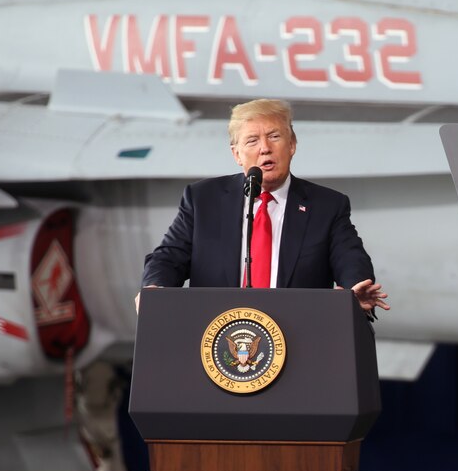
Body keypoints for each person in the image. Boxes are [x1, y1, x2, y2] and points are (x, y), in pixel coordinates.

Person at [137, 98, 389, 315]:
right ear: (236, 154)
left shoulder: (327, 205)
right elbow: (169, 257)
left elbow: (350, 258)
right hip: (216, 337)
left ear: (292, 145)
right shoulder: (203, 199)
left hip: (297, 337)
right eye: (252, 141)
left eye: (274, 136)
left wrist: (355, 288)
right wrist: (154, 289)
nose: (265, 148)